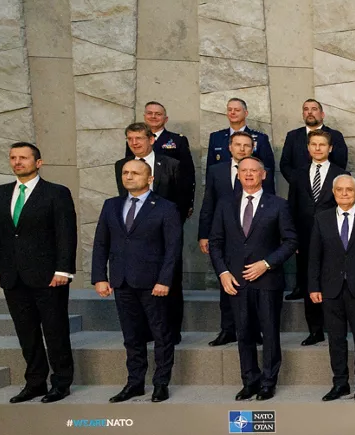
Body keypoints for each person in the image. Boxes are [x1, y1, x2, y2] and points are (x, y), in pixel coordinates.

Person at [0, 142, 78, 403]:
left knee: (55, 330)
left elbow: (66, 234)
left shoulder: (56, 193)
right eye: (13, 157)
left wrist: (64, 270)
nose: (17, 162)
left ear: (38, 162)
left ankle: (61, 382)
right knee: (26, 332)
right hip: (13, 276)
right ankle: (35, 382)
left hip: (49, 276)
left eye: (23, 157)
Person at [92, 159, 181, 403]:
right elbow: (101, 243)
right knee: (131, 336)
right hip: (122, 281)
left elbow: (173, 248)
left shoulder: (165, 207)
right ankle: (135, 383)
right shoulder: (111, 205)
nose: (129, 177)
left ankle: (160, 383)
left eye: (135, 173)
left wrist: (165, 280)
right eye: (125, 172)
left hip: (154, 284)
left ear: (150, 178)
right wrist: (99, 277)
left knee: (161, 335)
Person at [209, 156, 297, 401]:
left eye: (254, 171)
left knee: (269, 332)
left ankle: (268, 382)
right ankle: (249, 380)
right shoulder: (225, 204)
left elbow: (291, 241)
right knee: (243, 333)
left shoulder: (278, 205)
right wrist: (223, 273)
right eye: (244, 170)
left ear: (263, 175)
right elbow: (215, 242)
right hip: (236, 281)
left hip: (267, 280)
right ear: (238, 174)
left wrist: (266, 264)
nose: (248, 174)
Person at [308, 175, 355, 401]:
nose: (344, 193)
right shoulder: (321, 219)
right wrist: (313, 286)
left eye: (348, 190)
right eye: (339, 190)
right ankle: (340, 383)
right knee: (336, 339)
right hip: (330, 288)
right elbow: (314, 256)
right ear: (333, 192)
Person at [115, 121, 191, 343]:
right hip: (135, 235)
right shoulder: (123, 165)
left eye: (139, 138)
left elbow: (182, 198)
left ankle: (172, 332)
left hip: (166, 231)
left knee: (171, 281)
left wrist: (173, 227)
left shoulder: (171, 164)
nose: (134, 143)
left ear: (151, 140)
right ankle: (144, 332)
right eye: (130, 139)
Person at [197, 132, 269, 347]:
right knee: (227, 284)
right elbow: (208, 203)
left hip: (255, 236)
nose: (242, 149)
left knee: (254, 285)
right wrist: (204, 234)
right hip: (226, 237)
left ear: (252, 148)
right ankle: (228, 329)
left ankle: (254, 331)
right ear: (230, 147)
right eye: (238, 145)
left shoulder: (262, 171)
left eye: (247, 145)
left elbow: (270, 202)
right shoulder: (216, 171)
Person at [287, 129, 347, 343]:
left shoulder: (341, 174)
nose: (318, 148)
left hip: (333, 239)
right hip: (304, 238)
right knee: (308, 281)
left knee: (332, 281)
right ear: (308, 147)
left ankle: (335, 327)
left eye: (322, 145)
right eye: (314, 144)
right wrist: (291, 238)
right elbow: (291, 207)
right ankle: (315, 330)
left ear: (330, 148)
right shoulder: (298, 173)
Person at [124, 101, 195, 218]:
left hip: (168, 200)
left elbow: (187, 175)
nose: (153, 116)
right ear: (144, 117)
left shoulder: (177, 140)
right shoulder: (133, 142)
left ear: (165, 119)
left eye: (158, 114)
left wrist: (188, 204)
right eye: (149, 113)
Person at [205, 97, 276, 186]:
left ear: (246, 113)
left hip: (252, 190)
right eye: (229, 110)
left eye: (237, 110)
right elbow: (210, 169)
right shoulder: (216, 137)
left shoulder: (261, 138)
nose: (232, 112)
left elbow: (268, 170)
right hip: (224, 191)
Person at [279, 98, 347, 187]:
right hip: (299, 191)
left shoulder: (335, 135)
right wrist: (297, 182)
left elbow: (340, 164)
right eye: (306, 109)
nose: (310, 112)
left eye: (314, 109)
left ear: (322, 114)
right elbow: (285, 164)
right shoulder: (292, 136)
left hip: (328, 191)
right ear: (303, 115)